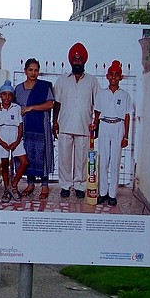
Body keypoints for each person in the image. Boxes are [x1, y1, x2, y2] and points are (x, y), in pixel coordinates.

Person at [0, 58, 54, 199]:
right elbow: (11, 105)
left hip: (41, 125)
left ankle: (45, 186)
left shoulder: (44, 86)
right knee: (27, 154)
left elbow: (50, 104)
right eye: (30, 70)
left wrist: (31, 107)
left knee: (43, 154)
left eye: (36, 70)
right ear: (25, 71)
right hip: (25, 127)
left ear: (38, 72)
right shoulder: (19, 89)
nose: (33, 73)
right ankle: (30, 184)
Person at [53, 43, 99, 199]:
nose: (77, 61)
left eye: (80, 59)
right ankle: (65, 185)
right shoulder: (63, 80)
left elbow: (98, 104)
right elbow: (56, 103)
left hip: (84, 125)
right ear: (71, 61)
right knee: (64, 159)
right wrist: (55, 122)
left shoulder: (92, 81)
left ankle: (80, 186)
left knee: (82, 159)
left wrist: (97, 123)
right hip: (65, 125)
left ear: (84, 61)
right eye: (75, 59)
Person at [90, 60, 132, 206]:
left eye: (117, 75)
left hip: (118, 126)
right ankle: (103, 193)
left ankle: (112, 194)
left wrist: (126, 136)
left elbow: (127, 116)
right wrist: (95, 125)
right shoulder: (101, 94)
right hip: (105, 125)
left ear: (121, 77)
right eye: (111, 75)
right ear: (107, 76)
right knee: (103, 161)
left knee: (115, 161)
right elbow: (98, 112)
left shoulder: (125, 95)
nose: (114, 77)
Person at [0, 81, 29, 202]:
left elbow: (20, 125)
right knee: (5, 165)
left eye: (9, 95)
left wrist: (17, 141)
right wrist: (2, 143)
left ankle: (13, 185)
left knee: (24, 162)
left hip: (15, 136)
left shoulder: (16, 108)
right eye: (4, 94)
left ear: (13, 96)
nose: (7, 97)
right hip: (2, 137)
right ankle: (7, 190)